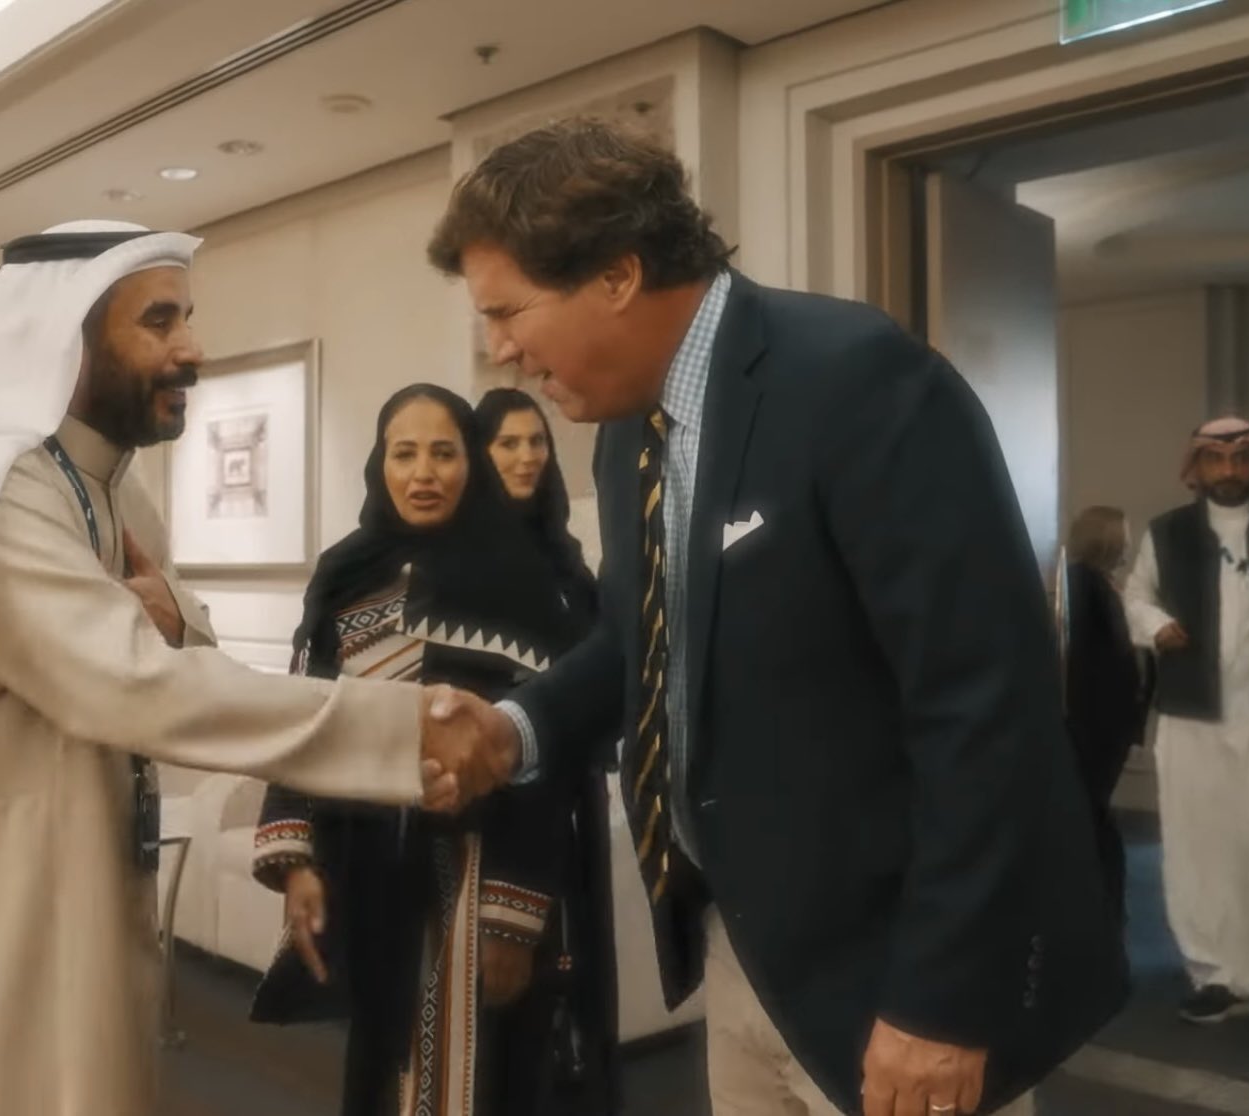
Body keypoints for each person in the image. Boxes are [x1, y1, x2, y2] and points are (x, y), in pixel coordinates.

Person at [423, 120, 1126, 1116]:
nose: (498, 350)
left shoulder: (852, 381)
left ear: (616, 275)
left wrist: (941, 1002)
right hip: (744, 952)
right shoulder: (624, 435)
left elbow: (984, 706)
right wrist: (515, 728)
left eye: (506, 312)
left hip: (897, 980)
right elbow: (637, 640)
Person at [0, 223, 508, 1116]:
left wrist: (169, 614)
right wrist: (405, 728)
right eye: (159, 322)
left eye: (187, 318)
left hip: (82, 886)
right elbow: (135, 681)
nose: (191, 349)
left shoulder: (107, 484)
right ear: (68, 340)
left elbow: (179, 629)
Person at [248, 384, 603, 1116]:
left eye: (443, 453)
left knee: (486, 1078)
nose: (423, 473)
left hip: (483, 874)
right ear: (379, 463)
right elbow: (305, 716)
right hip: (373, 875)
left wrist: (512, 915)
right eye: (404, 454)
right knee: (384, 1070)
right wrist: (298, 859)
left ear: (470, 462)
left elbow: (551, 759)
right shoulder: (344, 574)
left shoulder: (522, 581)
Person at [1122, 416, 1249, 1039]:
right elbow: (1134, 595)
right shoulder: (1167, 532)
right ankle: (1216, 975)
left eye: (1241, 459)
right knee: (1200, 849)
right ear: (1195, 467)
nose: (1228, 471)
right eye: (1214, 459)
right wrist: (1154, 625)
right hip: (1192, 716)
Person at [474, 386, 619, 1114]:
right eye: (508, 443)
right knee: (505, 1032)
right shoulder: (463, 570)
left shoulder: (566, 564)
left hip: (573, 812)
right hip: (499, 827)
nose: (527, 456)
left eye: (536, 441)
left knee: (575, 1004)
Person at [1063, 506, 1148, 924]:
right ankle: (1102, 910)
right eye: (1124, 536)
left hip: (1105, 722)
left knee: (1094, 812)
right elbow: (1087, 661)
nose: (1129, 545)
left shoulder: (1099, 584)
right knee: (1092, 814)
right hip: (1093, 722)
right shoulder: (1083, 584)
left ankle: (1105, 907)